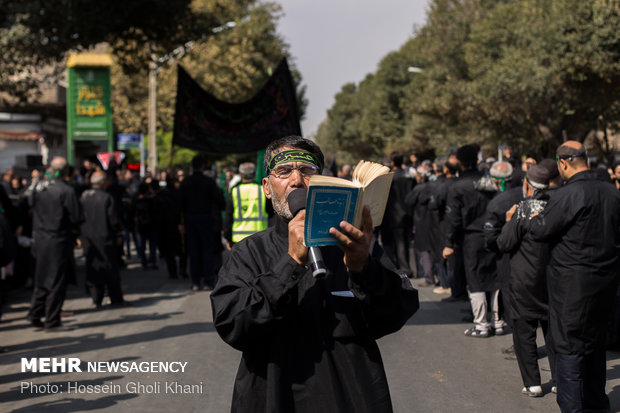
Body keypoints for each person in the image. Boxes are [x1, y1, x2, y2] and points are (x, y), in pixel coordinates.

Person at [210, 135, 419, 413]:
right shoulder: (248, 253)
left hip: (351, 397)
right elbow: (233, 325)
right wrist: (291, 262)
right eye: (283, 171)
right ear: (267, 188)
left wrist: (363, 268)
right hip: (273, 398)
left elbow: (395, 313)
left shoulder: (353, 245)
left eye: (308, 171)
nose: (297, 181)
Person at [529, 141, 620, 413]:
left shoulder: (565, 196)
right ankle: (596, 404)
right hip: (606, 283)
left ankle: (573, 407)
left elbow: (539, 230)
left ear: (563, 163)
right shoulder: (612, 193)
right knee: (595, 345)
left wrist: (534, 216)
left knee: (569, 349)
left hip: (572, 287)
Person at [497, 164, 557, 397]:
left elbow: (504, 243)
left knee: (524, 332)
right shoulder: (557, 206)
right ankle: (558, 379)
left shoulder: (523, 209)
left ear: (527, 185)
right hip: (551, 277)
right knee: (553, 332)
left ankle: (532, 382)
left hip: (524, 279)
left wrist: (509, 220)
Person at [443, 144, 499, 338]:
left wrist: (449, 243)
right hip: (492, 235)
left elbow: (453, 219)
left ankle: (482, 324)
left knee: (475, 280)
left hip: (471, 238)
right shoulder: (489, 182)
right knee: (494, 277)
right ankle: (498, 321)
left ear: (458, 162)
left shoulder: (457, 186)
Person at [27, 157, 83, 331]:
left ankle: (35, 314)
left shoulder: (38, 188)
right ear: (65, 171)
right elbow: (76, 216)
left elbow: (26, 204)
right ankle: (51, 320)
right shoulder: (65, 190)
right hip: (57, 240)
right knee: (56, 280)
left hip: (40, 238)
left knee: (42, 277)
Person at [80, 171, 125, 308]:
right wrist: (118, 233)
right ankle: (115, 297)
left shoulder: (84, 197)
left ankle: (96, 298)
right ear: (103, 182)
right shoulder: (106, 197)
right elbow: (113, 219)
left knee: (93, 267)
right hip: (105, 237)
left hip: (89, 239)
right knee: (110, 268)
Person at [180, 155, 225, 291]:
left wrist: (181, 222)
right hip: (206, 219)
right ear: (203, 167)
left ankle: (195, 281)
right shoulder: (208, 182)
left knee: (193, 251)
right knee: (207, 251)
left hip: (190, 219)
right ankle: (208, 281)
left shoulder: (185, 182)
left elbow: (180, 203)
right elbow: (219, 200)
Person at [381, 151, 415, 278]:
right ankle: (412, 267)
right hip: (408, 213)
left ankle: (404, 268)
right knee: (408, 242)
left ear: (393, 162)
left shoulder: (391, 178)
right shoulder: (409, 176)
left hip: (395, 214)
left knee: (399, 242)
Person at [223, 162, 269, 250]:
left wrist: (228, 238)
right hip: (260, 238)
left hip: (238, 240)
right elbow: (270, 213)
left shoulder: (235, 191)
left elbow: (228, 217)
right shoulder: (262, 190)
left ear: (240, 174)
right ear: (254, 174)